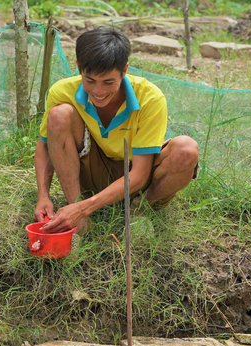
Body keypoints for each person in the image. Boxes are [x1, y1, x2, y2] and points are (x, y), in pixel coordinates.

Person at [34, 28, 199, 234]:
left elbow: (139, 174)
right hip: (92, 171)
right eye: (90, 81)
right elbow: (44, 146)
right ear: (78, 68)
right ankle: (76, 214)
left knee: (187, 149)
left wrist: (84, 208)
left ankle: (139, 210)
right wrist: (43, 196)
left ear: (125, 70)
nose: (98, 91)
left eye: (108, 82)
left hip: (137, 177)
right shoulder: (62, 91)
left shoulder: (150, 98)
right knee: (58, 116)